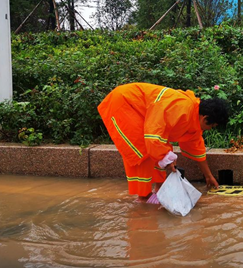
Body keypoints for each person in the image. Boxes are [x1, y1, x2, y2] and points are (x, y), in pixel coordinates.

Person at [97, 82, 230, 203]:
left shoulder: (194, 120)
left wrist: (208, 176)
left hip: (139, 111)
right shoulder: (181, 107)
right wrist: (166, 160)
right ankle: (144, 198)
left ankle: (158, 190)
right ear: (205, 118)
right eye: (212, 126)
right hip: (124, 103)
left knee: (162, 149)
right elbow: (153, 135)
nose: (209, 129)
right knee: (143, 150)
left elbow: (197, 148)